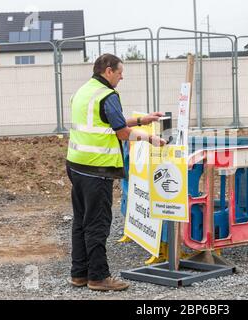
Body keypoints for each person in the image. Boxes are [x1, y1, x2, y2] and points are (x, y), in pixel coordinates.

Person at [66, 53, 166, 291]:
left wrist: (142, 119)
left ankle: (79, 274)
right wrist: (150, 137)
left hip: (76, 164)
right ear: (108, 71)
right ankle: (99, 277)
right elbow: (121, 132)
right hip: (97, 167)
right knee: (98, 223)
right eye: (120, 73)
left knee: (81, 220)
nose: (122, 77)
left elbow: (111, 121)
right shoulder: (108, 95)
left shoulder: (84, 91)